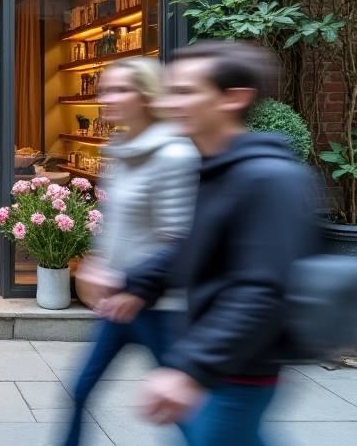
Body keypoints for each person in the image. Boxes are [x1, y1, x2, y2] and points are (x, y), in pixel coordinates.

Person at [96, 41, 320, 446]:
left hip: (240, 371)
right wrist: (137, 282)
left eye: (186, 92)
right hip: (221, 367)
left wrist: (190, 369)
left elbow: (261, 289)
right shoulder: (215, 169)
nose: (169, 101)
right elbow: (191, 246)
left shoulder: (268, 179)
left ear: (234, 99)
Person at [62, 57, 199, 446]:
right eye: (105, 89)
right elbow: (120, 222)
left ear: (146, 95)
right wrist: (98, 259)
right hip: (121, 300)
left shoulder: (174, 155)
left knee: (183, 409)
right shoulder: (123, 149)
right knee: (80, 388)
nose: (107, 98)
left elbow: (180, 239)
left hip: (159, 305)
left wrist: (136, 289)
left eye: (120, 89)